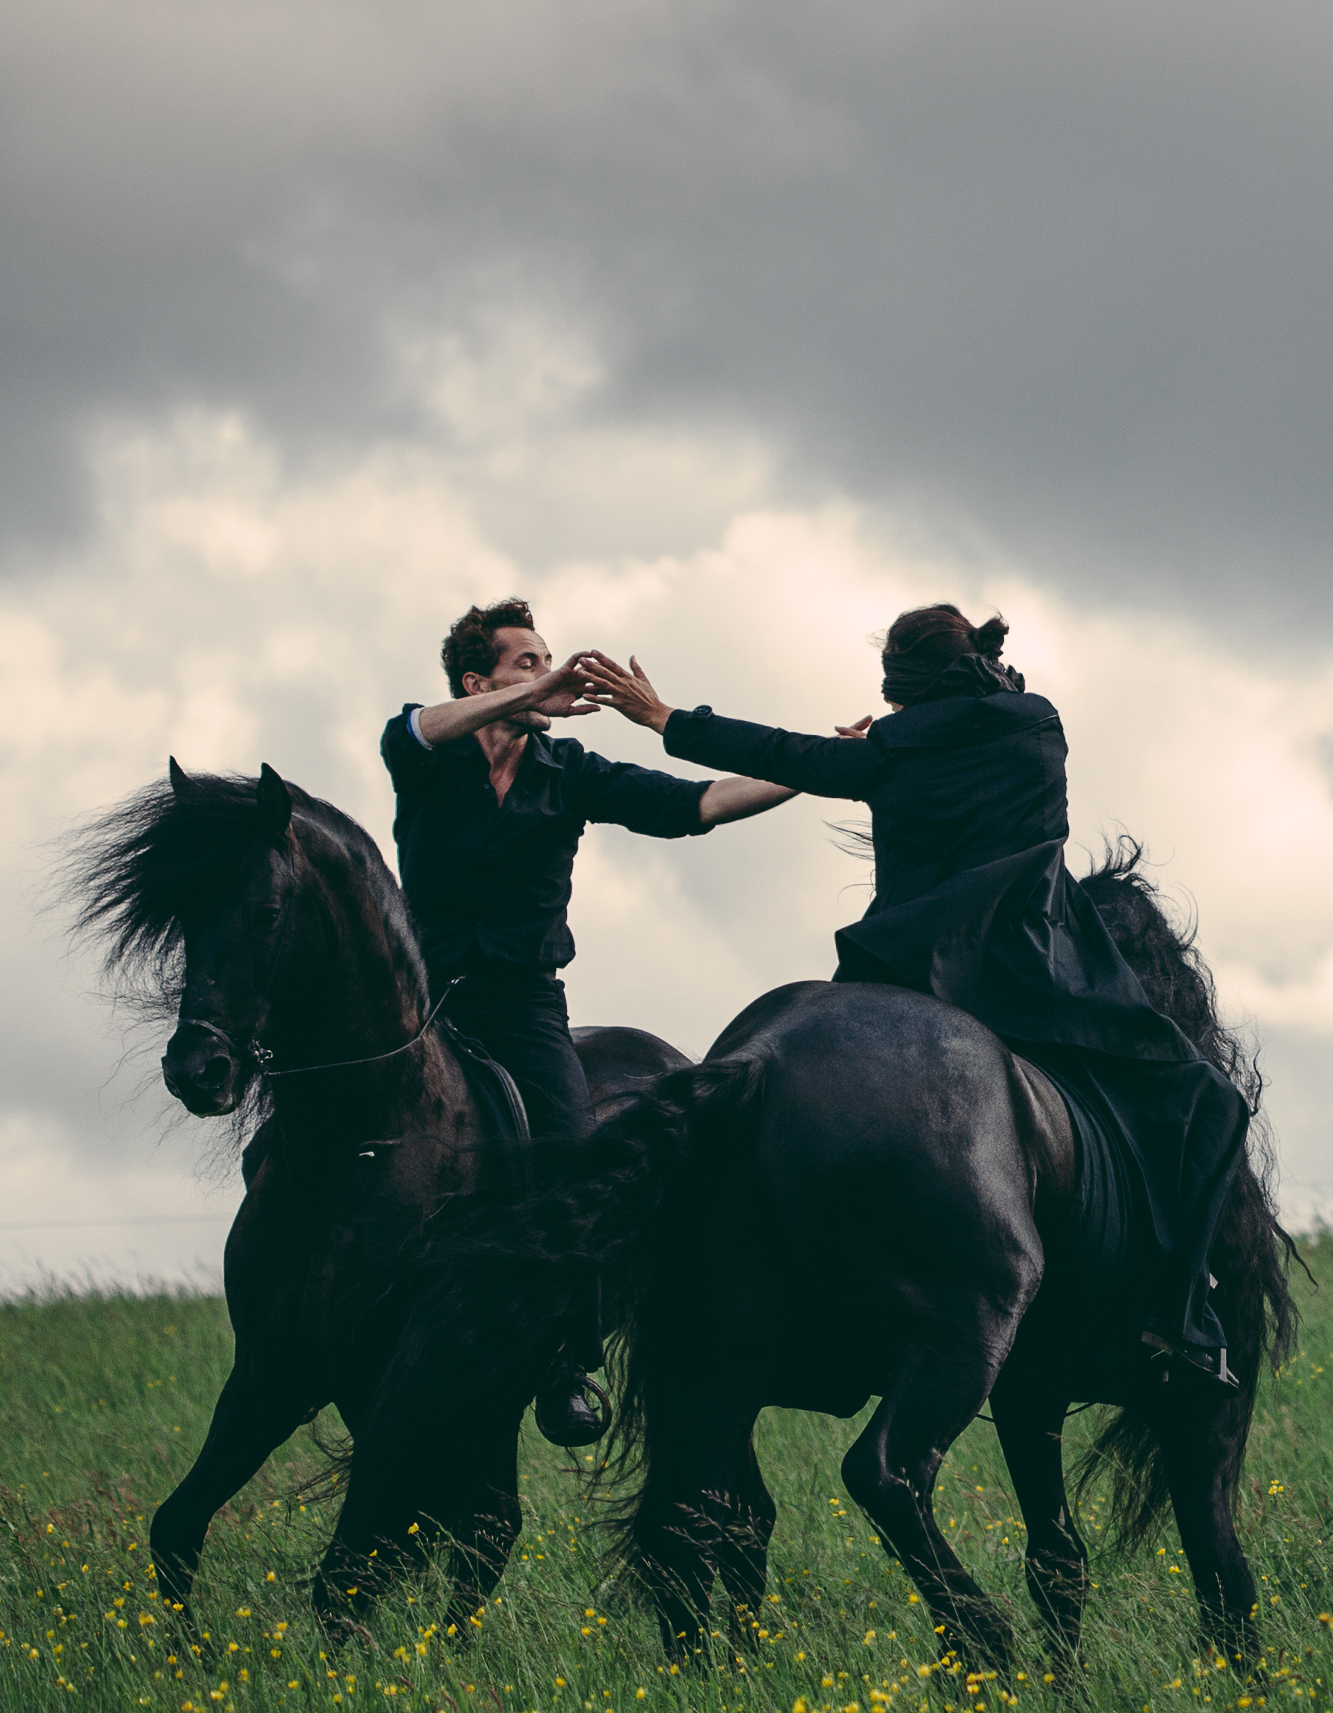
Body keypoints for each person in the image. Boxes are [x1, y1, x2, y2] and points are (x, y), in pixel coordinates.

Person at [578, 607, 1249, 1382]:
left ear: (901, 690)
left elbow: (782, 753)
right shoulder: (1035, 726)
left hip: (897, 975)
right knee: (1207, 1096)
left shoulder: (884, 752)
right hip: (1033, 982)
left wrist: (663, 717)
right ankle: (1182, 1310)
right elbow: (962, 722)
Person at [380, 598, 797, 1442]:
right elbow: (422, 728)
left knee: (571, 1157)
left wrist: (822, 767)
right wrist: (534, 690)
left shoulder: (572, 771)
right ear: (478, 680)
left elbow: (702, 803)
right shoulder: (425, 752)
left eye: (547, 659)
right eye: (526, 661)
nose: (550, 669)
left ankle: (564, 1361)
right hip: (424, 1002)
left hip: (524, 1001)